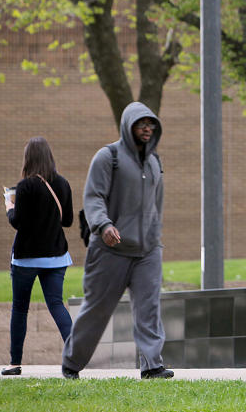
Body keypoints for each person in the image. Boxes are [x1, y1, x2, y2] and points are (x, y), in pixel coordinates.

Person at [61, 102, 173, 380]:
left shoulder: (154, 161)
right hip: (110, 248)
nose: (147, 128)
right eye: (141, 124)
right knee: (97, 309)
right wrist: (104, 225)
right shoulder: (107, 157)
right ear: (128, 126)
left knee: (149, 308)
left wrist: (155, 237)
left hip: (147, 251)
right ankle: (72, 363)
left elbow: (156, 206)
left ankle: (152, 365)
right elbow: (94, 196)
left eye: (151, 124)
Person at [2, 137, 74, 376]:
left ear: (28, 159)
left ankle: (15, 363)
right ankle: (75, 359)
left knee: (20, 308)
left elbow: (17, 223)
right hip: (56, 256)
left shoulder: (24, 187)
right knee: (56, 304)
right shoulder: (63, 184)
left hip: (26, 259)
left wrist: (9, 207)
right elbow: (68, 221)